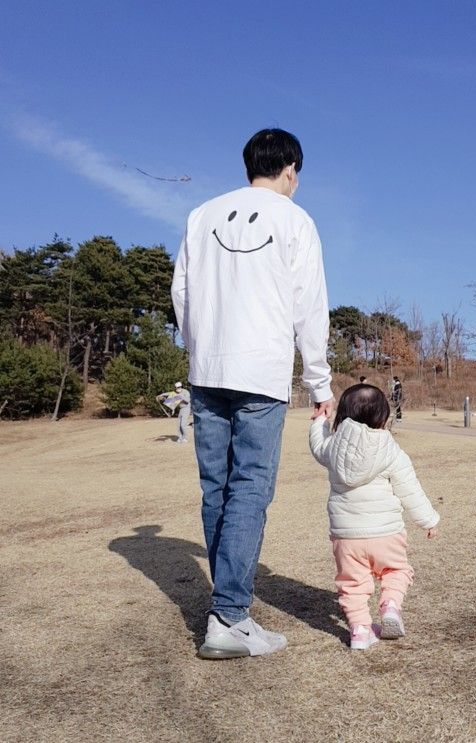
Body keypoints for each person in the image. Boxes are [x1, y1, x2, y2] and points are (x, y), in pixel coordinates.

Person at [171, 128, 334, 659]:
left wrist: (201, 350)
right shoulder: (295, 219)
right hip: (260, 372)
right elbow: (309, 307)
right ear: (290, 168)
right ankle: (230, 616)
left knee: (216, 486)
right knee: (249, 488)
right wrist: (319, 383)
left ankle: (227, 609)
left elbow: (182, 292)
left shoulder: (202, 214)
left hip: (208, 367)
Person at [308, 384, 440, 650]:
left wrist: (320, 419)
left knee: (353, 584)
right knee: (396, 570)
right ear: (383, 417)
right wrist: (429, 519)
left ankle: (359, 631)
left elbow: (317, 445)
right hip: (386, 532)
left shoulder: (333, 447)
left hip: (346, 536)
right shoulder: (391, 449)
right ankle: (390, 606)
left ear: (343, 415)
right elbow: (409, 488)